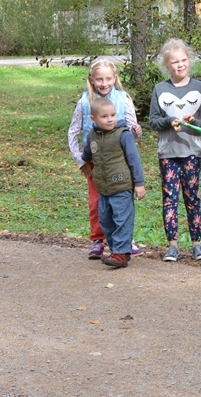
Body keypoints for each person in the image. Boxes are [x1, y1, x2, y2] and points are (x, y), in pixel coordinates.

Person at [67, 59, 142, 260]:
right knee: (97, 204)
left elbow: (131, 129)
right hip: (95, 164)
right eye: (99, 79)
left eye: (108, 78)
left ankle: (124, 242)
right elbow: (73, 132)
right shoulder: (84, 102)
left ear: (115, 78)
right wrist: (81, 161)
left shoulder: (123, 98)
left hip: (118, 163)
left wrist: (136, 131)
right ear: (91, 80)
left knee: (121, 204)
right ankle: (98, 240)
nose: (104, 83)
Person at [149, 39, 201, 262]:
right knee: (170, 198)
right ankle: (173, 246)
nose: (180, 65)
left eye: (184, 60)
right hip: (168, 152)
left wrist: (194, 121)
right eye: (175, 62)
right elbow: (153, 121)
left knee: (192, 197)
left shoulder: (199, 88)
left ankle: (197, 244)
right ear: (167, 65)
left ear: (190, 61)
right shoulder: (160, 89)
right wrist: (169, 121)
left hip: (192, 152)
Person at [81, 98, 145, 268]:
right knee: (105, 219)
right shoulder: (93, 135)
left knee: (122, 218)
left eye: (113, 115)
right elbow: (88, 152)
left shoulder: (123, 134)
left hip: (121, 185)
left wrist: (139, 183)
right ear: (93, 119)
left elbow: (134, 160)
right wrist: (85, 161)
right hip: (103, 187)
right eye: (104, 116)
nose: (110, 119)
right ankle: (119, 250)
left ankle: (120, 253)